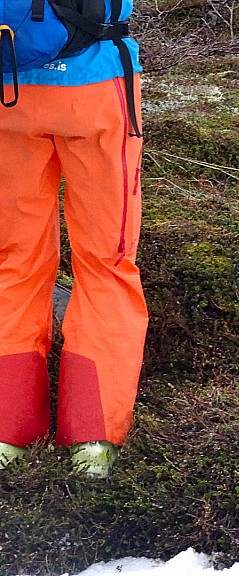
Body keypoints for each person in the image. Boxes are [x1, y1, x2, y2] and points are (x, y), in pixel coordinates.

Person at [0, 0, 147, 477]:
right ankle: (93, 436)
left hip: (10, 89)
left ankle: (8, 431)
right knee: (107, 261)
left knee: (14, 260)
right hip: (98, 90)